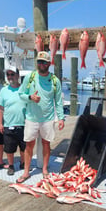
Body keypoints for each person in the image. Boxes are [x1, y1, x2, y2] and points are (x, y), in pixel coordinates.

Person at [16, 51, 65, 183]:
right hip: (31, 118)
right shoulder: (30, 77)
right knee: (29, 145)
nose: (41, 64)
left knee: (46, 144)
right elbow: (20, 94)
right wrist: (30, 97)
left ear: (49, 63)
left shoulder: (55, 81)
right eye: (39, 61)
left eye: (44, 62)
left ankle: (44, 169)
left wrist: (61, 118)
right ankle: (26, 172)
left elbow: (58, 102)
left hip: (48, 119)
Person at [0, 66, 27, 175]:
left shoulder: (25, 89)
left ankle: (23, 163)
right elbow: (0, 108)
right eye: (8, 75)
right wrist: (0, 123)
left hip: (24, 124)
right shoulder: (4, 91)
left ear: (18, 76)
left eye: (12, 74)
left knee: (24, 147)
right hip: (8, 124)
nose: (10, 77)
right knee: (9, 148)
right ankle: (11, 165)